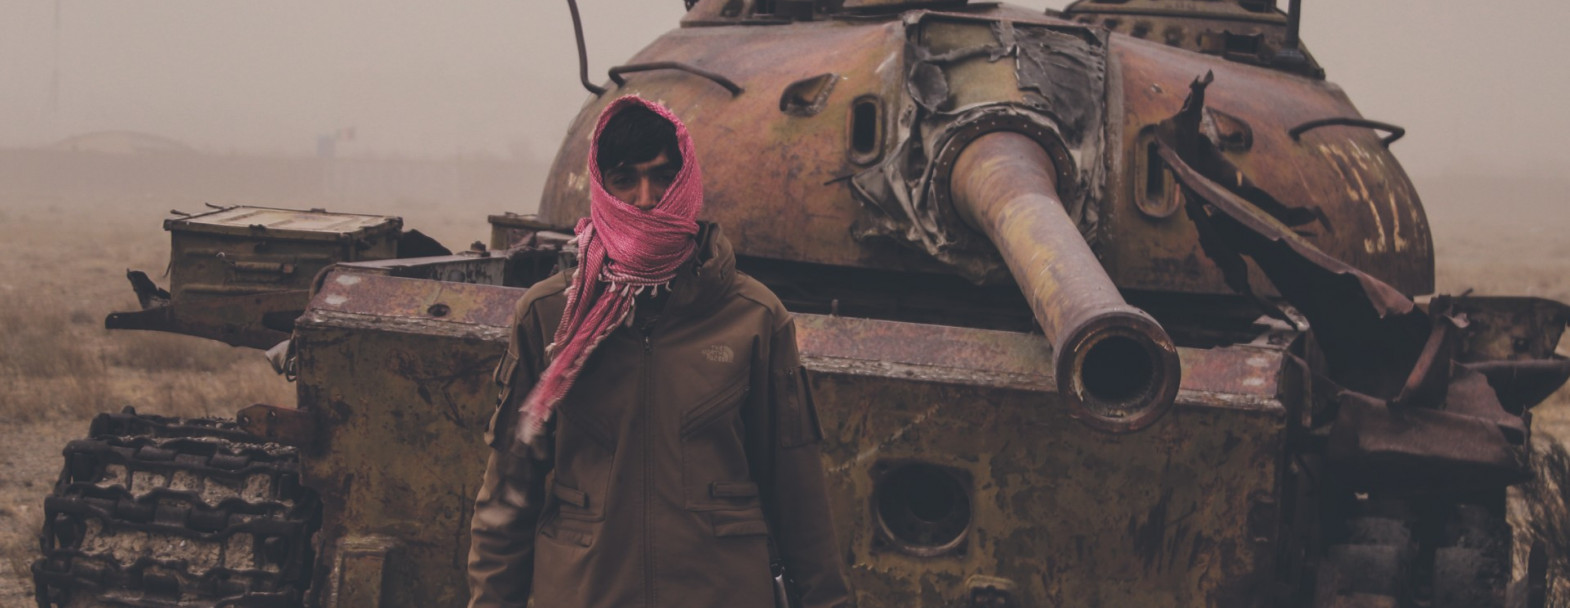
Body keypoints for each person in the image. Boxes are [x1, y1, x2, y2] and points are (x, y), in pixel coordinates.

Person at [466, 95, 850, 608]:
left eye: (663, 177)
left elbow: (796, 493)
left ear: (687, 182)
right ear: (601, 188)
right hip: (585, 592)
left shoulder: (753, 318)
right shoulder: (550, 316)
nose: (646, 199)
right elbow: (509, 495)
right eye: (625, 179)